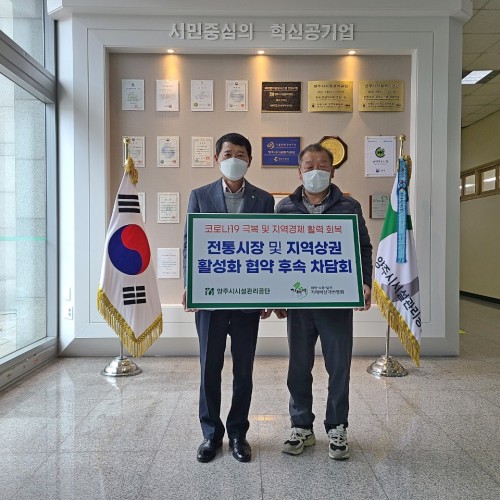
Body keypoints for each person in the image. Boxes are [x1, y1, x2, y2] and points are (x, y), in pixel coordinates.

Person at [275, 143, 372, 460]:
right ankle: (301, 426)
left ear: (332, 171)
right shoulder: (285, 208)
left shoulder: (349, 206)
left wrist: (365, 283)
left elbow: (363, 247)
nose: (315, 171)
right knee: (298, 367)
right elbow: (275, 254)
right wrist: (276, 296)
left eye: (323, 165)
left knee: (339, 367)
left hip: (336, 303)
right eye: (309, 165)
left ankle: (337, 427)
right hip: (299, 303)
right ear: (299, 171)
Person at [182, 132, 275, 463]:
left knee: (243, 370)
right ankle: (211, 434)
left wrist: (269, 293)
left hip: (248, 299)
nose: (234, 159)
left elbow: (270, 248)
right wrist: (190, 284)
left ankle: (238, 433)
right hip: (211, 299)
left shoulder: (264, 200)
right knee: (210, 367)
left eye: (240, 154)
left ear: (250, 160)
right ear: (216, 159)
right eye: (227, 154)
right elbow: (190, 243)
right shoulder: (199, 195)